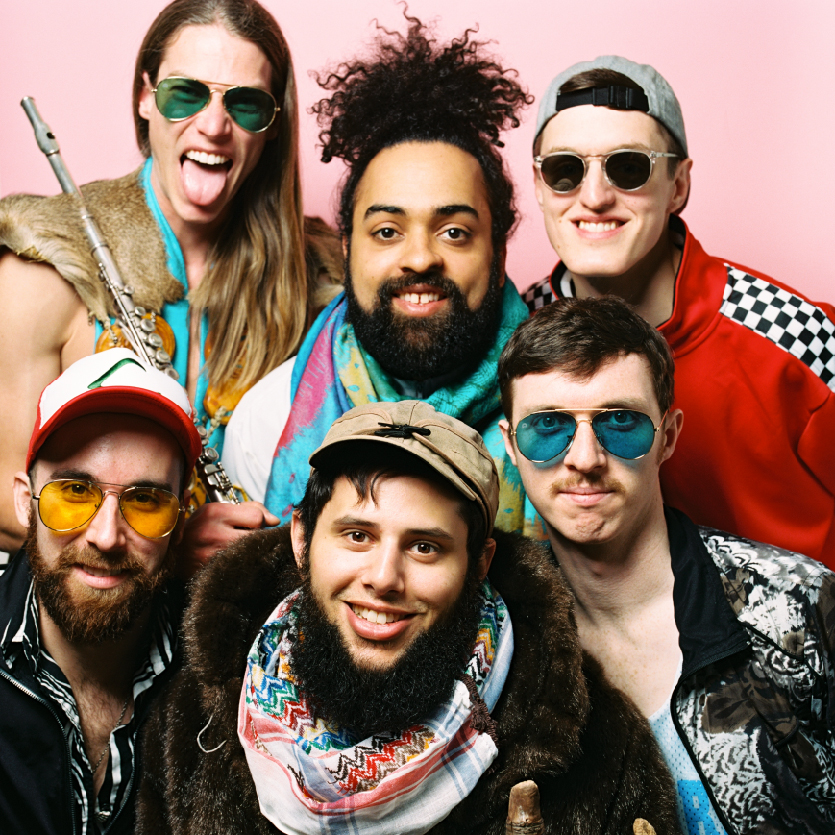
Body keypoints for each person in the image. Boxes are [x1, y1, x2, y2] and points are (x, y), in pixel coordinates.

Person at [137, 399, 678, 834]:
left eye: (425, 547)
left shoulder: (599, 745)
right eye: (357, 536)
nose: (383, 577)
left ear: (479, 565)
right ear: (302, 539)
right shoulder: (192, 721)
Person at [0, 0, 342, 554]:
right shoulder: (45, 257)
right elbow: (2, 501)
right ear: (145, 97)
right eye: (185, 93)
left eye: (247, 104)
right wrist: (167, 541)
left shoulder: (320, 281)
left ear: (274, 124)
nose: (213, 125)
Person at [498, 296, 835, 835]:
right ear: (511, 446)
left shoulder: (800, 607)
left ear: (669, 436)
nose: (584, 458)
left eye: (621, 423)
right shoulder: (495, 641)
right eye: (549, 428)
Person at [222, 16, 544, 538]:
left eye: (455, 232)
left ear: (500, 251)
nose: (419, 258)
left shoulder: (563, 419)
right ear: (347, 249)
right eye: (388, 231)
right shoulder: (269, 418)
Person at [525, 55, 835, 567]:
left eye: (629, 167)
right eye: (565, 170)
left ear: (679, 185)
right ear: (539, 187)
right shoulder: (521, 331)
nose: (596, 196)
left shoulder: (794, 334)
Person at [0, 348, 203, 834]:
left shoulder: (223, 684)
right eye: (74, 492)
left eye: (146, 501)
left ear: (179, 525)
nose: (107, 536)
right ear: (25, 504)